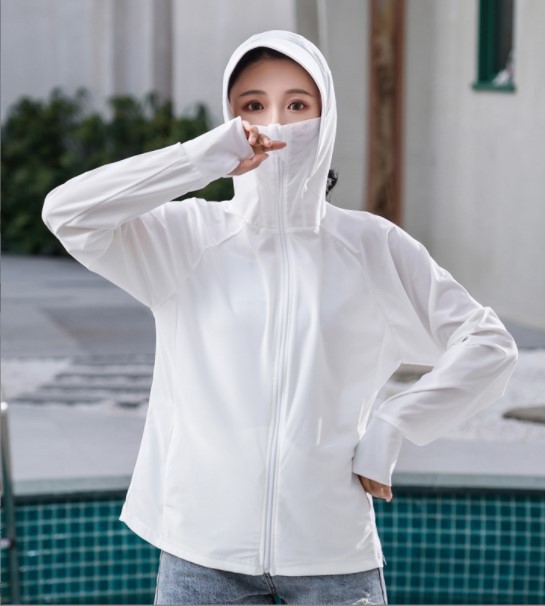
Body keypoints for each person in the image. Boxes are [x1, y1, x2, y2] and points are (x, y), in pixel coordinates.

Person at [41, 30, 518, 605]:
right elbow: (67, 213)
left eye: (297, 105)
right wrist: (203, 157)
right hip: (202, 556)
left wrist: (394, 425)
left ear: (326, 117)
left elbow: (489, 344)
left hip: (333, 557)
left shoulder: (371, 246)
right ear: (229, 118)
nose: (275, 124)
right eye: (252, 105)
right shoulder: (187, 237)